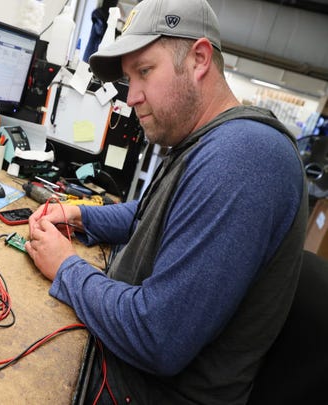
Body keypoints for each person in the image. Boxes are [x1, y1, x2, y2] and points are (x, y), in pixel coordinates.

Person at [25, 0, 308, 403]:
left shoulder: (244, 156)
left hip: (146, 389)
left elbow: (157, 337)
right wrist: (80, 215)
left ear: (199, 59)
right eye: (129, 78)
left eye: (144, 72)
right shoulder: (206, 139)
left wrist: (67, 268)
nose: (132, 96)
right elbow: (153, 215)